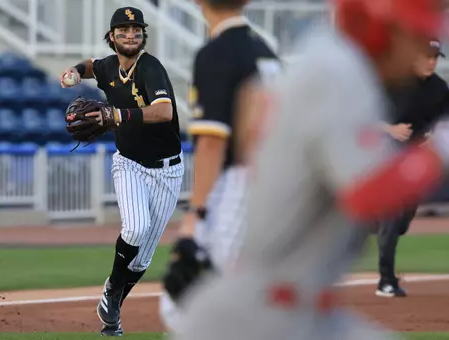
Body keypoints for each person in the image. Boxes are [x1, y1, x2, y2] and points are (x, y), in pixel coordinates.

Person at [169, 0, 449, 340]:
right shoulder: (338, 72)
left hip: (297, 311)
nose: (423, 49)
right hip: (263, 318)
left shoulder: (339, 65)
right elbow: (370, 193)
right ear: (379, 30)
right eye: (415, 36)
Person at [59, 6, 184, 337]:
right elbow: (91, 67)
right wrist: (73, 70)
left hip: (168, 171)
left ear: (143, 36)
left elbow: (163, 112)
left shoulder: (150, 68)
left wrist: (116, 116)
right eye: (124, 30)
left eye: (136, 29)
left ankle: (111, 311)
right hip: (129, 162)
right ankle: (113, 290)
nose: (131, 34)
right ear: (112, 37)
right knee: (136, 227)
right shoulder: (108, 66)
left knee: (141, 260)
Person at [159, 0, 281, 333]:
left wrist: (195, 214)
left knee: (185, 306)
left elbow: (213, 142)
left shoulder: (217, 52)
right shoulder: (265, 50)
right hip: (271, 184)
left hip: (234, 189)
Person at [375, 39, 449, 298]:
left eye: (435, 57)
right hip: (383, 155)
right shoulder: (393, 81)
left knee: (402, 223)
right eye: (426, 56)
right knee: (392, 218)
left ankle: (372, 222)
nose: (431, 61)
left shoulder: (439, 88)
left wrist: (434, 135)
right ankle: (386, 281)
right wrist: (390, 129)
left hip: (413, 162)